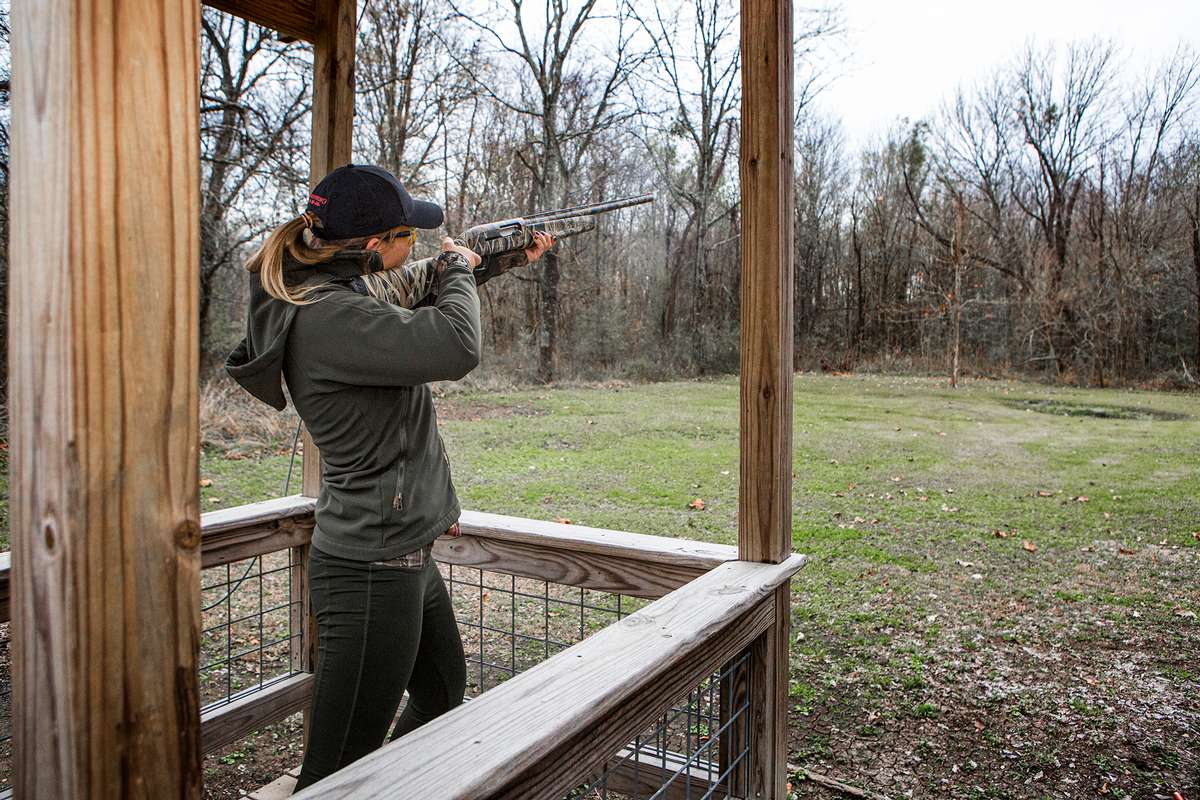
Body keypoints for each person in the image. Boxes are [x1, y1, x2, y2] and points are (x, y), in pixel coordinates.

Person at [225, 164, 554, 792]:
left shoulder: (340, 295)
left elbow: (413, 283)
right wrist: (457, 269)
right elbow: (456, 345)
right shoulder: (330, 319)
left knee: (440, 692)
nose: (419, 247)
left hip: (403, 549)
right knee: (335, 767)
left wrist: (493, 257)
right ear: (374, 244)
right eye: (409, 235)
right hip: (370, 566)